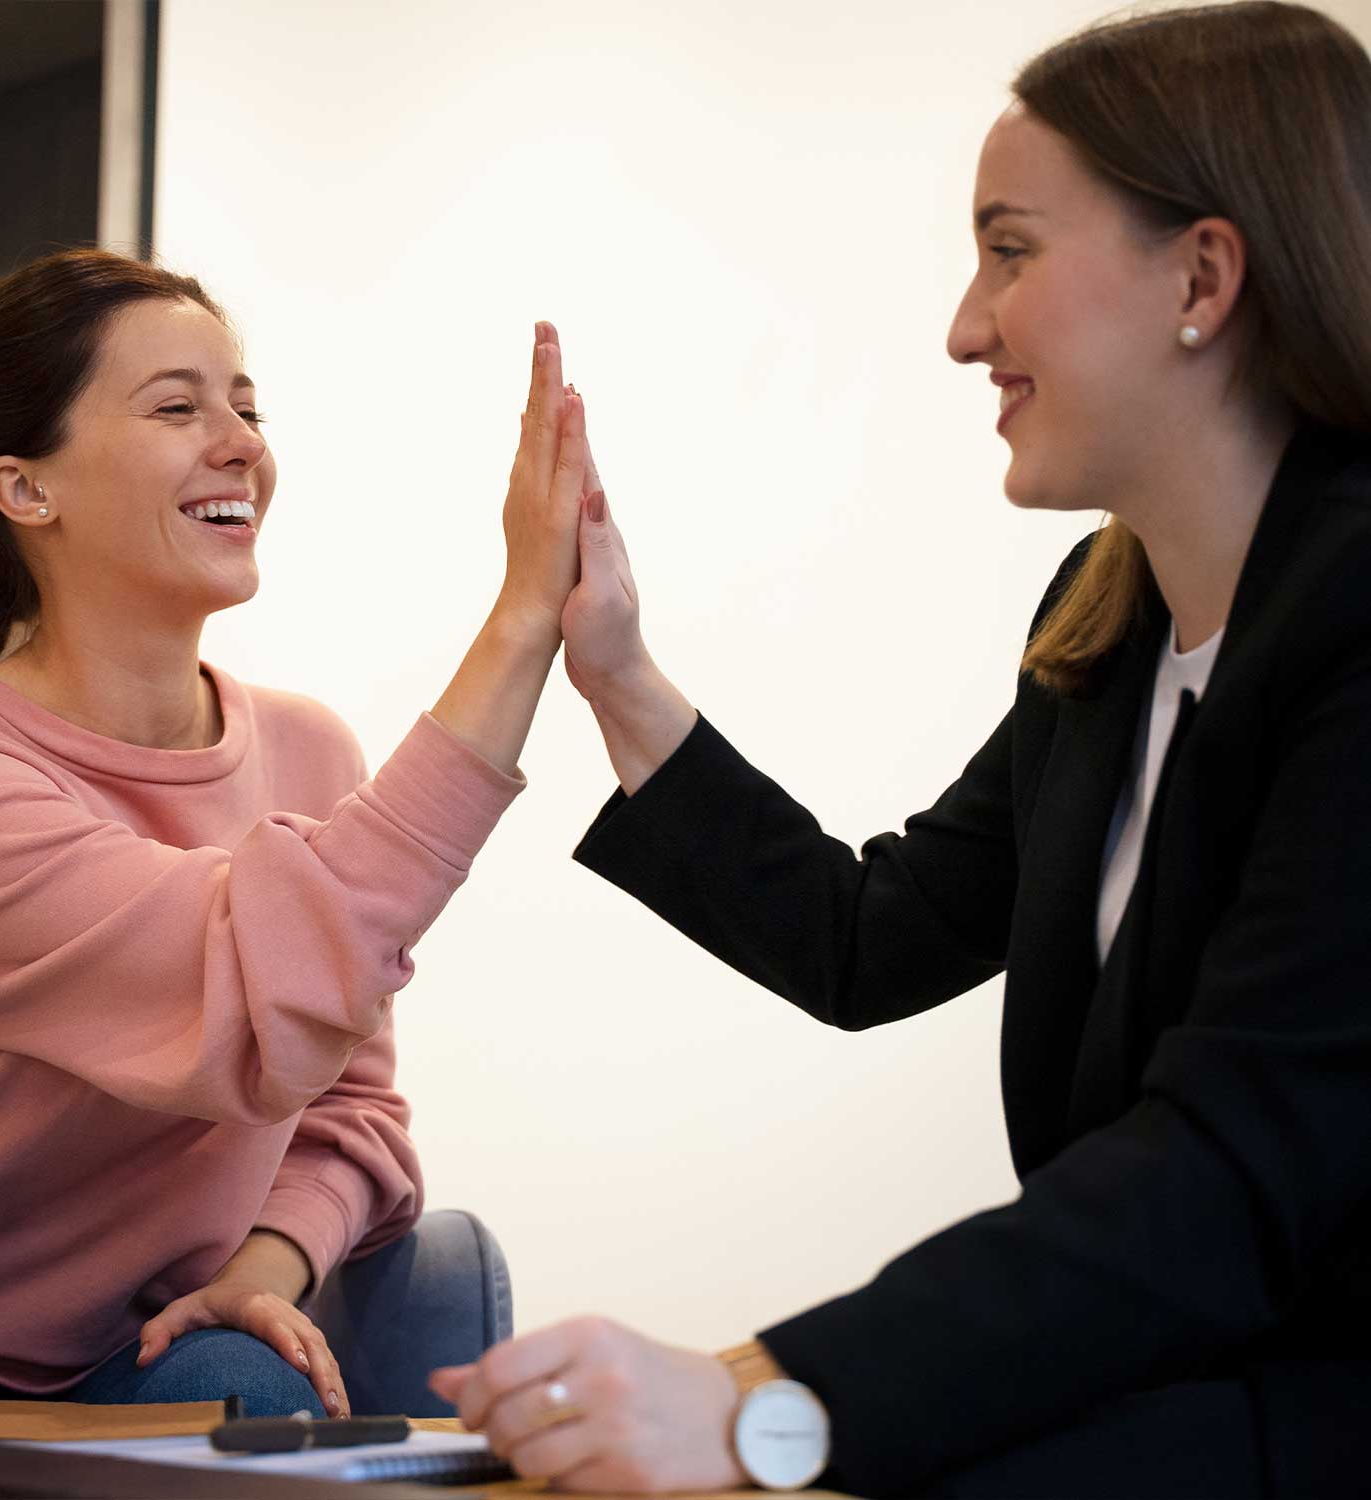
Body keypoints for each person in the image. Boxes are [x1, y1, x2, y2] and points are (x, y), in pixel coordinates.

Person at [429, 3, 1371, 1495]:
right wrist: (615, 674)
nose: (963, 327)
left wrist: (765, 1398)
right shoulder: (1105, 627)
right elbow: (874, 938)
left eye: (1010, 251)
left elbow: (1228, 1178)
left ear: (1204, 275)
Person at [0, 252, 595, 1424]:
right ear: (24, 489)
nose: (241, 443)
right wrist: (521, 622)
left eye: (247, 407)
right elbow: (260, 977)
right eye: (178, 407)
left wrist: (261, 1273)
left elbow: (348, 1110)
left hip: (149, 1338)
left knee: (242, 1380)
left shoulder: (309, 756)